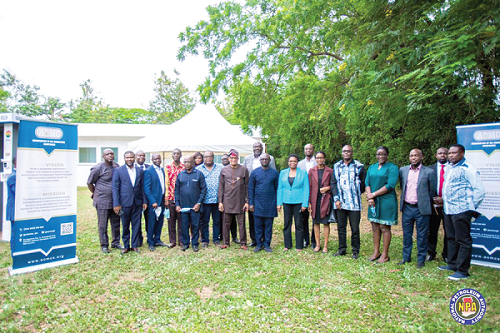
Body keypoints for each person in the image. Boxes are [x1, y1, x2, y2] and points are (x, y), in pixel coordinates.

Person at [438, 144, 485, 280]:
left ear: (462, 154)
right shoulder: (449, 168)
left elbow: (479, 191)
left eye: (454, 153)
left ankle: (463, 270)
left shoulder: (468, 169)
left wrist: (470, 207)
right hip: (449, 209)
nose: (451, 155)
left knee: (463, 239)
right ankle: (452, 264)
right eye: (450, 153)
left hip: (462, 209)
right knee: (451, 237)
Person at [397, 149, 437, 268]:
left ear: (422, 157)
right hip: (407, 207)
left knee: (422, 234)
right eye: (411, 156)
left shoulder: (429, 172)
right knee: (407, 234)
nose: (413, 158)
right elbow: (401, 186)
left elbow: (432, 190)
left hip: (422, 208)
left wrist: (424, 201)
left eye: (416, 155)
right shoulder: (403, 170)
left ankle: (421, 259)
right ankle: (406, 257)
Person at [365, 146, 398, 264]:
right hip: (373, 201)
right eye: (378, 154)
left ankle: (385, 254)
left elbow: (390, 185)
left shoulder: (392, 167)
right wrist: (370, 197)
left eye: (383, 154)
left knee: (384, 227)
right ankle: (376, 252)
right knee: (374, 226)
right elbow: (367, 182)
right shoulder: (372, 167)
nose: (380, 156)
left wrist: (373, 194)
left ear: (387, 155)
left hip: (386, 200)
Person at [332, 145, 366, 259]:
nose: (346, 153)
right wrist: (336, 198)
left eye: (349, 151)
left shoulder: (359, 166)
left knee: (355, 228)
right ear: (342, 153)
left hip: (354, 203)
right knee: (341, 227)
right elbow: (333, 183)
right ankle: (342, 249)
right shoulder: (336, 166)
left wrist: (354, 193)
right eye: (344, 151)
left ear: (352, 153)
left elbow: (363, 184)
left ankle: (355, 250)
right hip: (340, 203)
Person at [87, 148, 122, 253]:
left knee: (116, 223)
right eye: (107, 154)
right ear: (103, 156)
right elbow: (89, 183)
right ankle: (104, 245)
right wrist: (95, 193)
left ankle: (116, 242)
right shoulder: (97, 168)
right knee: (103, 224)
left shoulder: (117, 166)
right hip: (102, 201)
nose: (110, 156)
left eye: (112, 154)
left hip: (115, 201)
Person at [112, 151, 147, 254]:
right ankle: (126, 246)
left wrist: (144, 201)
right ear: (124, 158)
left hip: (137, 202)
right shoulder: (118, 170)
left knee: (136, 225)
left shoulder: (140, 170)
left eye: (131, 157)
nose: (130, 159)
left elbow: (142, 187)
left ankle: (135, 245)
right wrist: (116, 204)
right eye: (127, 157)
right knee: (125, 225)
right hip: (124, 203)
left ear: (134, 158)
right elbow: (115, 188)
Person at [243, 141, 276, 247]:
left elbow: (275, 185)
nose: (257, 148)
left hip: (269, 198)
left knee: (267, 224)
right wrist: (250, 201)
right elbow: (248, 182)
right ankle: (256, 241)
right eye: (255, 147)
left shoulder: (273, 169)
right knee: (255, 222)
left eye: (259, 147)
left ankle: (266, 243)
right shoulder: (249, 162)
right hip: (255, 197)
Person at [277, 154, 310, 251]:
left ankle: (299, 245)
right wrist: (279, 203)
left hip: (298, 202)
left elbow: (306, 189)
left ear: (297, 162)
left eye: (295, 161)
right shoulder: (283, 173)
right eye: (291, 161)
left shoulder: (303, 173)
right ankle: (287, 245)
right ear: (288, 162)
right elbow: (280, 188)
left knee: (299, 224)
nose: (292, 163)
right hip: (286, 201)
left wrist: (305, 204)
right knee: (287, 223)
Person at [219, 149, 250, 250]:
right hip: (227, 201)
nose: (233, 159)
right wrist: (220, 202)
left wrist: (247, 202)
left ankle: (243, 243)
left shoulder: (244, 169)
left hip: (240, 201)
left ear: (238, 158)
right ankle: (226, 242)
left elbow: (247, 187)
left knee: (241, 223)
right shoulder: (224, 170)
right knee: (226, 223)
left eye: (235, 158)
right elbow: (221, 187)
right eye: (231, 158)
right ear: (228, 159)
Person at [248, 153, 279, 253]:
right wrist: (251, 203)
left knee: (268, 226)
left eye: (266, 159)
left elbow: (277, 188)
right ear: (260, 161)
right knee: (258, 226)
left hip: (270, 203)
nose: (264, 161)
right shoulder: (254, 173)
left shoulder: (274, 173)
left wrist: (277, 203)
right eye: (263, 159)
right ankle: (259, 244)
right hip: (257, 203)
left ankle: (267, 244)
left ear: (269, 161)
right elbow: (251, 189)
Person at [175, 155, 207, 252]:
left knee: (195, 225)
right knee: (184, 225)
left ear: (192, 162)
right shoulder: (180, 175)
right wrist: (177, 204)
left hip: (195, 206)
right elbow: (176, 191)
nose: (187, 164)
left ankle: (195, 244)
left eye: (188, 162)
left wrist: (199, 203)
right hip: (183, 206)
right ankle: (185, 243)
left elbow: (204, 189)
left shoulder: (199, 174)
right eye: (185, 162)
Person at [197, 151, 224, 246]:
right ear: (204, 158)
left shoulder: (220, 168)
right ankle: (205, 240)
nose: (208, 158)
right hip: (204, 200)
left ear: (213, 157)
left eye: (210, 156)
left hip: (217, 200)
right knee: (204, 222)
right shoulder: (199, 169)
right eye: (206, 157)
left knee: (217, 221)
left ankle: (216, 239)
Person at [308, 151, 333, 254]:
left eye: (321, 158)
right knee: (316, 222)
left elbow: (334, 185)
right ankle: (318, 244)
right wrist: (309, 202)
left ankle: (326, 245)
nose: (319, 160)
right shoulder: (311, 171)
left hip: (325, 200)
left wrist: (328, 188)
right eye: (317, 158)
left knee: (326, 223)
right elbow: (309, 187)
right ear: (315, 159)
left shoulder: (330, 171)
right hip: (315, 200)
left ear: (324, 159)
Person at [427, 147, 449, 262]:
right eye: (440, 153)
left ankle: (447, 254)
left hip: (448, 205)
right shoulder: (430, 169)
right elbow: (426, 186)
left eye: (445, 153)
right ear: (436, 155)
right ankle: (431, 253)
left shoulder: (452, 168)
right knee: (432, 230)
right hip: (433, 205)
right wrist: (434, 199)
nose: (443, 155)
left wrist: (444, 199)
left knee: (449, 231)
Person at [143, 154, 167, 251]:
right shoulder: (148, 171)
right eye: (155, 159)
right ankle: (151, 242)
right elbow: (147, 189)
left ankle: (157, 239)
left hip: (161, 200)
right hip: (153, 202)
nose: (157, 160)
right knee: (151, 222)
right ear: (152, 160)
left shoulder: (161, 169)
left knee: (160, 221)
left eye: (158, 158)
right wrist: (152, 201)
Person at [298, 143, 317, 249]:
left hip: (315, 193)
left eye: (310, 149)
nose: (308, 150)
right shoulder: (300, 163)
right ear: (304, 151)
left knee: (315, 218)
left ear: (313, 150)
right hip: (303, 194)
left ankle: (314, 240)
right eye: (306, 149)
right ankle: (306, 239)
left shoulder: (317, 161)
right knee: (303, 219)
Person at [164, 148, 185, 248]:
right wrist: (166, 198)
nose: (176, 155)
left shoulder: (184, 167)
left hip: (182, 199)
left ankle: (181, 240)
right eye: (174, 154)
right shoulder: (167, 167)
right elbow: (166, 183)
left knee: (181, 221)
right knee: (171, 221)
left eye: (178, 154)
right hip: (171, 198)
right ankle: (172, 241)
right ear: (172, 156)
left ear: (180, 155)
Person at [220, 153, 239, 243]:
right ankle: (223, 239)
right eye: (222, 159)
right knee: (224, 220)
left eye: (225, 159)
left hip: (236, 199)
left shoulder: (239, 169)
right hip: (225, 199)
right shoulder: (222, 170)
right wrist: (220, 201)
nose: (224, 160)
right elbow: (221, 186)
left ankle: (235, 237)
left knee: (234, 221)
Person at [135, 150, 150, 247]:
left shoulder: (149, 167)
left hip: (149, 199)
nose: (141, 157)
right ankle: (139, 239)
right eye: (139, 155)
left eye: (143, 156)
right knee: (137, 221)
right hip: (137, 199)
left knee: (149, 220)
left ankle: (150, 238)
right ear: (135, 157)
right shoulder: (132, 168)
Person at [7, 157, 16, 243]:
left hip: (19, 210)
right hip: (14, 210)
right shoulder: (13, 176)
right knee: (15, 233)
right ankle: (13, 252)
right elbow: (18, 192)